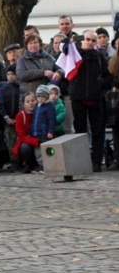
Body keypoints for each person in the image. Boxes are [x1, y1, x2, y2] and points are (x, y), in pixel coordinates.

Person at [65, 30, 111, 171]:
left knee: (98, 131)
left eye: (93, 40)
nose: (90, 42)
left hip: (96, 98)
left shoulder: (99, 57)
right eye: (87, 39)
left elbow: (108, 76)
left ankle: (96, 161)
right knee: (80, 131)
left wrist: (99, 84)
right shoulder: (74, 54)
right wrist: (70, 41)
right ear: (82, 39)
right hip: (78, 98)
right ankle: (82, 161)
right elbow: (63, 48)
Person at [16, 33, 62, 104]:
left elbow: (61, 69)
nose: (33, 45)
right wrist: (43, 73)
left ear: (40, 44)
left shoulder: (48, 58)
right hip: (30, 98)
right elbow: (21, 75)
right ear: (26, 46)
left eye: (35, 43)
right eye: (30, 43)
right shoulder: (22, 59)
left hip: (47, 97)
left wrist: (58, 73)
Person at [13, 92, 39, 173]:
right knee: (25, 148)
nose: (31, 103)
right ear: (24, 104)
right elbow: (22, 136)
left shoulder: (39, 113)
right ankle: (28, 164)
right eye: (27, 101)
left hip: (39, 138)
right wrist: (36, 141)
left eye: (32, 100)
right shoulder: (20, 116)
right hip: (26, 141)